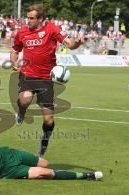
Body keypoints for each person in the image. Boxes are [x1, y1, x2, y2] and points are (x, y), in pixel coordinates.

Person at [0, 100, 103, 190]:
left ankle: (80, 175)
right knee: (45, 172)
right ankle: (86, 176)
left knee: (45, 163)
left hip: (9, 154)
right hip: (8, 170)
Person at [10, 4, 84, 156]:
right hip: (28, 74)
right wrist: (14, 62)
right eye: (27, 18)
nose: (28, 21)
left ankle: (44, 143)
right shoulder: (22, 32)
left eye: (31, 18)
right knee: (25, 99)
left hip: (46, 78)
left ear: (40, 19)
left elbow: (70, 45)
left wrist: (77, 42)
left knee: (49, 120)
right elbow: (15, 50)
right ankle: (21, 112)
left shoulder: (51, 29)